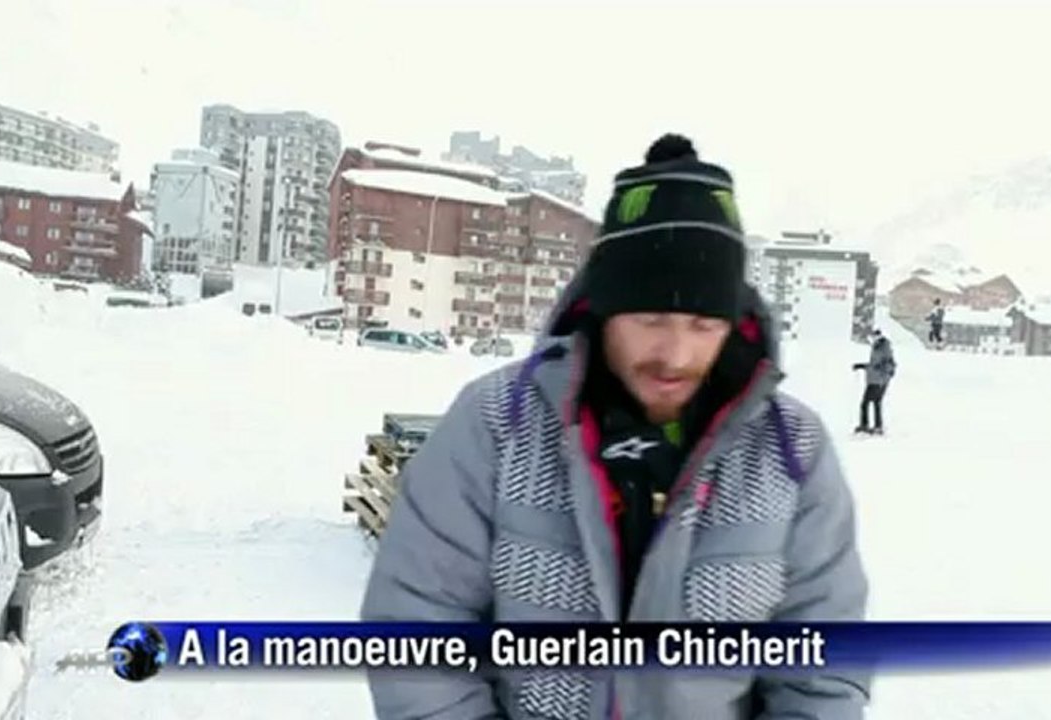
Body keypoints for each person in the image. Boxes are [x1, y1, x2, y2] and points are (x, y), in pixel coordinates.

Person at [360, 134, 871, 719]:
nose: (675, 355)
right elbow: (419, 632)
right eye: (650, 319)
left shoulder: (791, 452)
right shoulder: (498, 424)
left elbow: (823, 669)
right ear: (604, 308)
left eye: (704, 325)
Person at [852, 329, 895, 435]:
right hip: (873, 379)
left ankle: (870, 426)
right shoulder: (876, 347)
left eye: (873, 337)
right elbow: (874, 364)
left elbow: (889, 364)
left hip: (879, 381)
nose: (871, 340)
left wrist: (883, 371)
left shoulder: (884, 348)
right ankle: (873, 426)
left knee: (868, 403)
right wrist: (862, 366)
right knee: (872, 403)